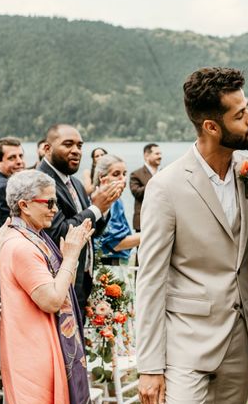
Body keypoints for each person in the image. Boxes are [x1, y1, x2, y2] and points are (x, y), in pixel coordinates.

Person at [136, 68, 248, 404]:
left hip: (241, 341)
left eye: (247, 108)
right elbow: (151, 281)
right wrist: (149, 366)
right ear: (211, 126)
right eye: (239, 115)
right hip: (186, 344)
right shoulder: (165, 187)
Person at [0, 170, 98, 404]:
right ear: (24, 205)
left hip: (41, 343)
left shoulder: (33, 236)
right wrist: (72, 256)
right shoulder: (21, 246)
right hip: (35, 351)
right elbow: (52, 300)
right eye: (49, 203)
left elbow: (57, 288)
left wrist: (69, 257)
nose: (56, 210)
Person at [38, 125, 118, 311]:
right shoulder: (41, 182)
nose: (76, 151)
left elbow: (93, 232)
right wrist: (96, 208)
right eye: (68, 144)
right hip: (57, 282)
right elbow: (58, 232)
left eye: (79, 146)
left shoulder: (76, 183)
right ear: (47, 148)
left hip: (82, 281)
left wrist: (104, 208)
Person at [93, 154, 141, 266]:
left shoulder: (117, 200)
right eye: (116, 174)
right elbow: (116, 243)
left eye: (124, 174)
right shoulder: (107, 202)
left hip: (118, 264)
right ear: (102, 177)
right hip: (108, 267)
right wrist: (154, 232)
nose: (122, 179)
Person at [130, 143, 162, 232]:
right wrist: (155, 180)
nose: (160, 156)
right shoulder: (136, 174)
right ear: (146, 155)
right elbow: (137, 193)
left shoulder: (164, 172)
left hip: (163, 221)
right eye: (157, 154)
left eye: (160, 153)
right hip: (144, 221)